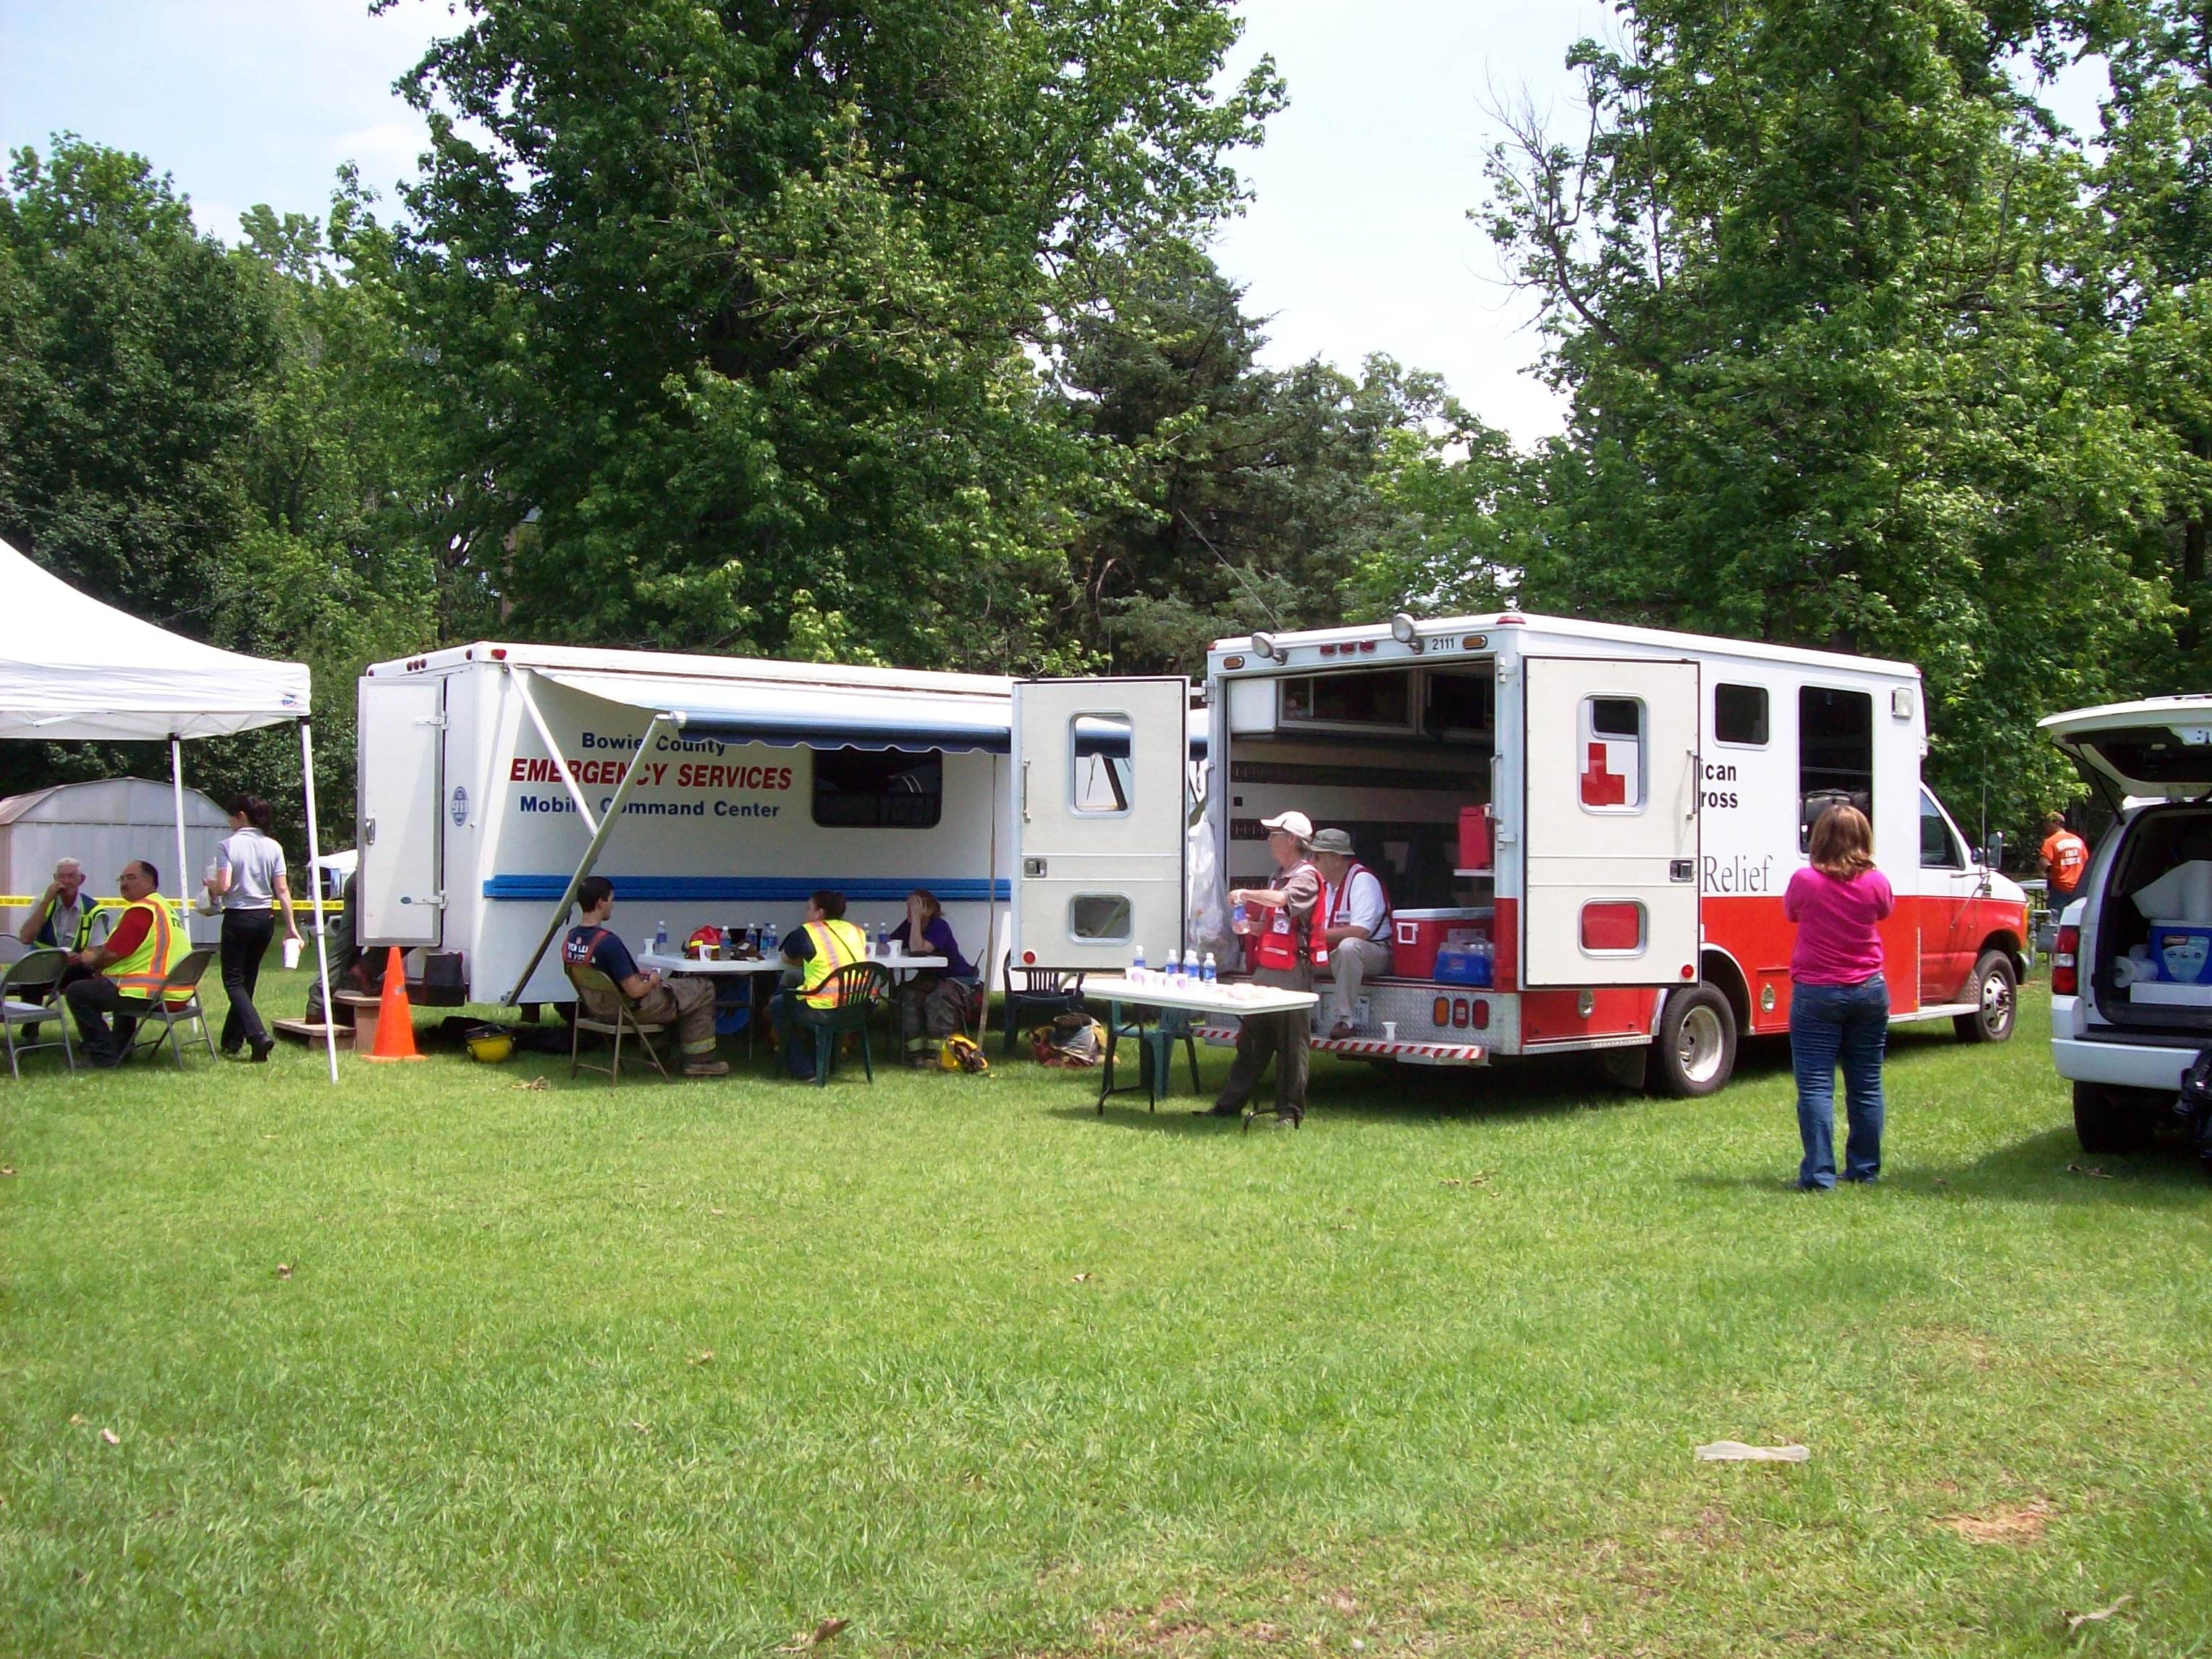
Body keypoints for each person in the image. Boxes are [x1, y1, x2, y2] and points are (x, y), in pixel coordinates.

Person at [1784, 804, 1895, 1190]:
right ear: (1863, 839)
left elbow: (1791, 914)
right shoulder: (1876, 882)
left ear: (1820, 838)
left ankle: (1818, 1175)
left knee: (1816, 1086)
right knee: (1866, 1084)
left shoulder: (1805, 880)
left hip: (1817, 991)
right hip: (1869, 989)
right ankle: (1864, 1170)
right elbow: (1885, 912)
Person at [1207, 810, 1322, 1126]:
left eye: (1274, 834)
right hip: (1269, 967)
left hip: (1292, 972)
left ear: (1293, 840)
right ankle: (1228, 1106)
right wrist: (1251, 929)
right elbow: (1275, 922)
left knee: (1291, 1045)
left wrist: (1245, 894)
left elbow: (1283, 901)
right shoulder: (1279, 874)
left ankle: (1289, 1113)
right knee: (1251, 1040)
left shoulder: (1307, 876)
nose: (1269, 841)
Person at [561, 876, 727, 1077]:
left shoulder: (570, 938)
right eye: (611, 900)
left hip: (597, 1008)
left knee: (676, 991)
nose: (612, 906)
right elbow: (636, 991)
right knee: (702, 988)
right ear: (600, 902)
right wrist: (654, 980)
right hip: (628, 1011)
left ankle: (657, 1056)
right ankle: (700, 1061)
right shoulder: (608, 943)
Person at [203, 794, 302, 1061]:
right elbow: (281, 889)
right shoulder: (273, 847)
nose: (229, 821)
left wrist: (209, 886)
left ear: (242, 816)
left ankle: (257, 1036)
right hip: (265, 918)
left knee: (233, 980)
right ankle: (232, 1040)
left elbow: (223, 887)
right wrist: (291, 927)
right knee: (248, 979)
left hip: (238, 916)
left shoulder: (228, 846)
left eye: (231, 816)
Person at [62, 860, 188, 1068]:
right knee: (116, 988)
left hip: (152, 994)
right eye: (121, 879)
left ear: (150, 882)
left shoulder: (141, 910)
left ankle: (104, 1055)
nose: (124, 883)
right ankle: (121, 1048)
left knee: (78, 991)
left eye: (131, 878)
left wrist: (92, 962)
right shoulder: (163, 908)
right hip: (176, 991)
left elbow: (112, 954)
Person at [769, 889, 869, 1079]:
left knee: (778, 1005)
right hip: (856, 1005)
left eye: (809, 908)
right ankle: (824, 1060)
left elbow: (786, 958)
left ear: (819, 913)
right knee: (793, 986)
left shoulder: (809, 931)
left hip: (823, 1004)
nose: (806, 913)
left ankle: (804, 1069)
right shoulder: (857, 931)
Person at [1311, 827, 1392, 1039]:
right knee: (1297, 955)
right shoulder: (1325, 885)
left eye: (1318, 856)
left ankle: (1345, 1020)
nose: (1312, 861)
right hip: (1336, 953)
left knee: (1349, 947)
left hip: (1376, 951)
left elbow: (1360, 932)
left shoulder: (1362, 880)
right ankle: (1298, 1015)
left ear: (1337, 859)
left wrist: (1313, 935)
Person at [886, 887, 976, 1064]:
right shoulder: (910, 925)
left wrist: (918, 919)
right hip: (931, 979)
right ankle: (916, 1053)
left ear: (928, 909)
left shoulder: (939, 926)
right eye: (909, 907)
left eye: (914, 907)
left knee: (937, 1000)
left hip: (955, 978)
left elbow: (919, 951)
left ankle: (941, 1054)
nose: (909, 912)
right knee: (907, 995)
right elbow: (891, 943)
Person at [18, 856, 97, 953]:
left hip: (77, 964)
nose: (66, 881)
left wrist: (81, 958)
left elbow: (97, 950)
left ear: (81, 879)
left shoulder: (92, 908)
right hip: (43, 961)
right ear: (55, 879)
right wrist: (46, 902)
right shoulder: (42, 901)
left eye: (71, 876)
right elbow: (25, 939)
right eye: (61, 876)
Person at [2041, 810, 2090, 907]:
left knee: (2055, 918)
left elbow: (2043, 864)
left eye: (2048, 823)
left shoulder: (2051, 841)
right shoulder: (2078, 840)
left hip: (2060, 887)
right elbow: (2086, 862)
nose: (2045, 826)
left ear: (2057, 823)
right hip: (2078, 887)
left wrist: (2044, 874)